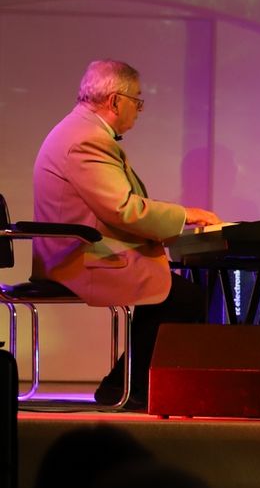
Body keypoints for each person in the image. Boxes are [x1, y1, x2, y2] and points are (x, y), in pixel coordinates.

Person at [31, 59, 218, 408]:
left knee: (174, 290)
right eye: (138, 101)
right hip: (76, 258)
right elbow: (121, 208)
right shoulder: (87, 139)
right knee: (183, 296)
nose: (139, 110)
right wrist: (184, 216)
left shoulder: (81, 130)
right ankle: (125, 388)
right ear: (116, 101)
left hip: (79, 250)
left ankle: (127, 386)